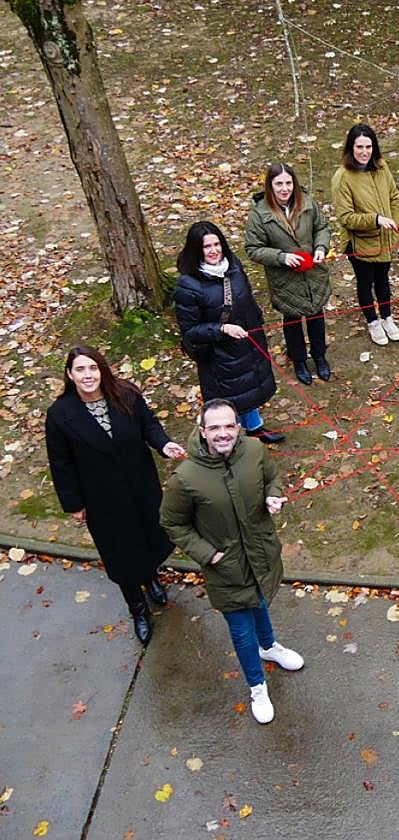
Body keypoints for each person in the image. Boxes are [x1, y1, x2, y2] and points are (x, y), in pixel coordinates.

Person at [159, 399, 304, 724]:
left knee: (260, 601)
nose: (223, 433)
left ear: (238, 427)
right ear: (202, 431)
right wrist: (207, 554)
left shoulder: (254, 451)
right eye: (215, 428)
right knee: (240, 630)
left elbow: (272, 478)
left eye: (229, 426)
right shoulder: (185, 478)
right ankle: (257, 686)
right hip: (224, 566)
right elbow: (172, 523)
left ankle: (269, 646)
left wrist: (273, 495)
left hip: (259, 553)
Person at [45, 346, 187, 645]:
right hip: (102, 499)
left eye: (93, 368)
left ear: (102, 369)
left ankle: (151, 578)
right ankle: (137, 607)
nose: (87, 375)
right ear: (70, 375)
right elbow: (61, 463)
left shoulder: (126, 395)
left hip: (140, 487)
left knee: (150, 536)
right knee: (121, 553)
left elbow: (149, 426)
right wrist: (74, 503)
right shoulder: (60, 415)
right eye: (80, 369)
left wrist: (164, 445)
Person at [174, 221, 284, 444]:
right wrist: (222, 329)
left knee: (250, 389)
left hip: (247, 341)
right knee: (230, 398)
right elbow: (190, 331)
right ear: (196, 250)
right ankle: (231, 440)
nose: (214, 250)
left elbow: (247, 298)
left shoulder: (233, 266)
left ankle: (255, 428)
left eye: (217, 244)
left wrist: (256, 323)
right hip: (220, 354)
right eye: (207, 247)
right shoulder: (187, 286)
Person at [245, 162, 333, 385]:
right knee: (292, 320)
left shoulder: (307, 203)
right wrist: (281, 257)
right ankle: (300, 361)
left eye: (288, 183)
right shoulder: (260, 213)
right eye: (279, 184)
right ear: (270, 186)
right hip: (285, 279)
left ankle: (320, 356)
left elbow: (321, 229)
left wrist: (321, 248)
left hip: (313, 273)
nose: (284, 189)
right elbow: (253, 249)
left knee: (316, 315)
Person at [332, 123, 399, 346]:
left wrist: (396, 223)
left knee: (383, 280)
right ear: (350, 148)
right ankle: (372, 322)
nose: (364, 152)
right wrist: (375, 220)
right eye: (359, 147)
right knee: (366, 282)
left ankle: (387, 317)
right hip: (360, 242)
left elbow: (394, 197)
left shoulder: (381, 167)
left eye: (369, 146)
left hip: (385, 238)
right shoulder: (342, 177)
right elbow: (346, 218)